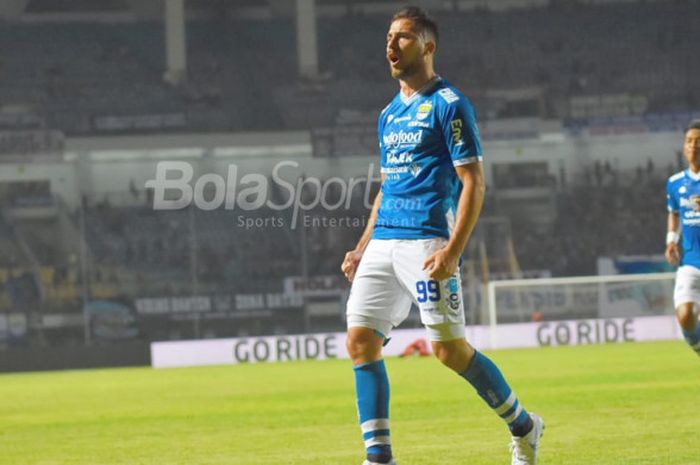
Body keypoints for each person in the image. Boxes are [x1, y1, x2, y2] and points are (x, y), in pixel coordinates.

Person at [340, 7, 544, 465]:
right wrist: (361, 245)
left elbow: (474, 180)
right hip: (384, 240)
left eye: (404, 37)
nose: (391, 45)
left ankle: (525, 427)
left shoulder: (450, 103)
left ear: (428, 47)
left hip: (428, 241)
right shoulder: (388, 113)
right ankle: (379, 458)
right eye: (389, 37)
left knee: (449, 351)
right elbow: (387, 186)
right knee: (359, 341)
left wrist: (453, 251)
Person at [665, 119, 700, 357]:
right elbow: (674, 213)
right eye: (689, 141)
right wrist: (670, 240)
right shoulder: (675, 183)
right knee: (685, 316)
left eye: (698, 142)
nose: (693, 146)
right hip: (690, 261)